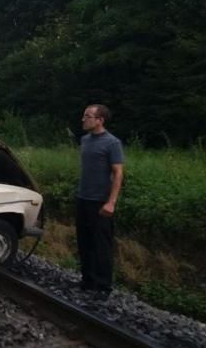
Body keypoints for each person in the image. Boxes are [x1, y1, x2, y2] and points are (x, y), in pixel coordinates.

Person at [77, 104, 124, 300]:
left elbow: (118, 173)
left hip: (101, 202)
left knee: (101, 245)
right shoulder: (85, 140)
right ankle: (87, 281)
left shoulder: (112, 143)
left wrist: (111, 202)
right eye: (84, 116)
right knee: (84, 242)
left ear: (100, 120)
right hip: (83, 198)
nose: (83, 119)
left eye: (88, 116)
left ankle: (103, 286)